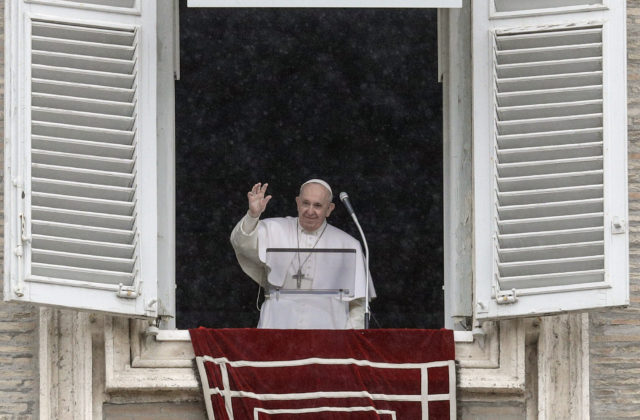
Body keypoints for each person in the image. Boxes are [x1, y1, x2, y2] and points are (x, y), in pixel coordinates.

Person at [230, 179, 374, 329]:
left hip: (328, 329)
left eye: (318, 205)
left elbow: (358, 304)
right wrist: (252, 216)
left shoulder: (348, 244)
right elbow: (241, 243)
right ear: (297, 202)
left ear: (330, 209)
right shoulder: (274, 228)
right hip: (277, 323)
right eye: (306, 203)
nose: (310, 211)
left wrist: (350, 338)